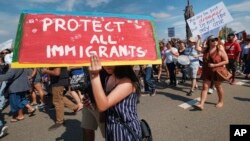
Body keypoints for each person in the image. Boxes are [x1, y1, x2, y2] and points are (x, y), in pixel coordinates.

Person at [88, 55, 142, 140]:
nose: (107, 65)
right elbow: (104, 102)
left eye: (111, 61)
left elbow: (103, 105)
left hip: (126, 129)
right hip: (111, 127)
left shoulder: (127, 82)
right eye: (105, 61)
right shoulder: (108, 78)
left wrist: (95, 75)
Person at [0, 53, 36, 122]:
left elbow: (8, 76)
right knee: (22, 98)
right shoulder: (20, 64)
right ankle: (30, 108)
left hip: (15, 87)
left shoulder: (14, 67)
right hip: (23, 85)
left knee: (15, 102)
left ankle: (20, 115)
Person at [196, 35, 229, 110]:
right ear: (209, 42)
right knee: (205, 87)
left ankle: (221, 101)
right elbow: (197, 48)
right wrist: (199, 39)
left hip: (216, 71)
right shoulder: (206, 50)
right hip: (207, 71)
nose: (215, 41)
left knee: (218, 86)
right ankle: (201, 104)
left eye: (216, 40)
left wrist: (215, 64)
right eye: (213, 40)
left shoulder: (220, 49)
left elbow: (226, 61)